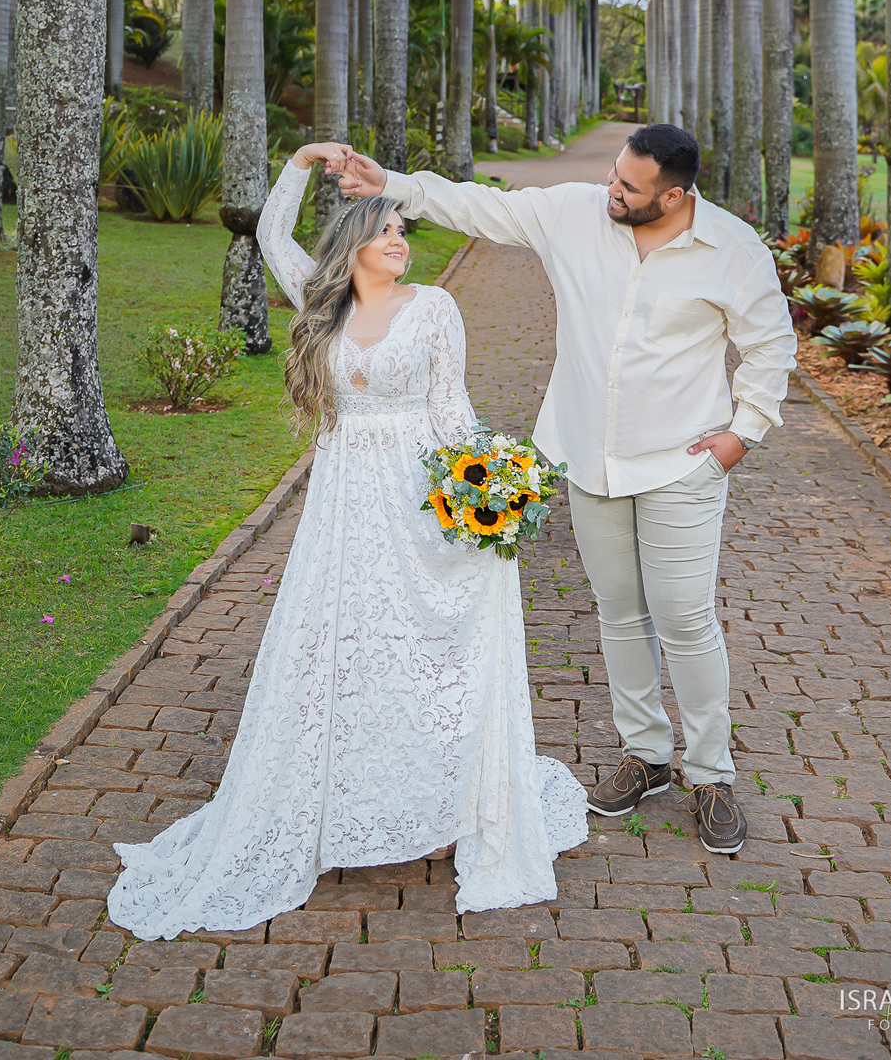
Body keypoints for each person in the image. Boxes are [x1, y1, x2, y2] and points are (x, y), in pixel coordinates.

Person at [106, 141, 587, 941]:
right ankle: (341, 795)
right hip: (341, 500)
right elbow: (268, 237)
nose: (400, 239)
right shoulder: (320, 304)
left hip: (413, 493)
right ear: (353, 243)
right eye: (386, 229)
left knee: (421, 640)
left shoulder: (433, 307)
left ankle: (431, 792)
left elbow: (451, 409)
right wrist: (298, 163)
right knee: (340, 642)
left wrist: (489, 497)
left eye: (405, 229)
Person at [337, 123, 797, 856]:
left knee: (684, 618)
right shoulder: (574, 215)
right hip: (588, 456)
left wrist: (742, 434)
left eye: (631, 188)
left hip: (682, 462)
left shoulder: (734, 248)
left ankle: (711, 774)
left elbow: (772, 345)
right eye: (615, 176)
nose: (613, 192)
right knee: (618, 615)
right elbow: (477, 207)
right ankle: (645, 757)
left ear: (675, 196)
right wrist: (389, 182)